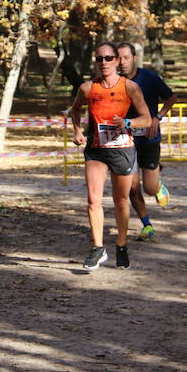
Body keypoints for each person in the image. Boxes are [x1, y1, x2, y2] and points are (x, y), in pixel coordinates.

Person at [70, 42, 151, 270]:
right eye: (99, 59)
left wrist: (127, 122)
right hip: (96, 150)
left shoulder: (130, 87)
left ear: (117, 60)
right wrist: (77, 131)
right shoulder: (88, 88)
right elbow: (75, 109)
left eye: (108, 58)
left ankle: (121, 246)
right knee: (93, 199)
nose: (103, 63)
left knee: (121, 200)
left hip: (122, 149)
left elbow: (146, 118)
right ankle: (97, 248)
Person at [117, 43, 178, 241]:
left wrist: (157, 117)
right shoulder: (114, 81)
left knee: (149, 188)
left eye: (126, 57)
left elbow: (171, 97)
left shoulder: (149, 77)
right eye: (118, 58)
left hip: (149, 137)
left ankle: (157, 182)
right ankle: (147, 225)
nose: (122, 62)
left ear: (134, 58)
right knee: (132, 186)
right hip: (127, 139)